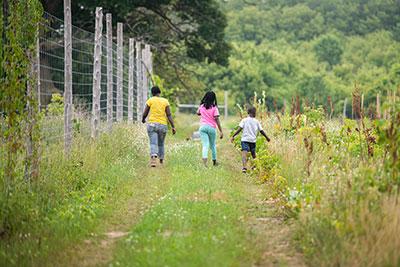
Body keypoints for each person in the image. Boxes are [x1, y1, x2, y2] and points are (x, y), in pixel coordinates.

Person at [142, 86, 176, 167]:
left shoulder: (150, 100)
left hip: (152, 124)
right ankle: (161, 160)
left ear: (152, 93)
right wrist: (173, 127)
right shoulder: (165, 101)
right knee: (161, 143)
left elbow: (145, 112)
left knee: (153, 143)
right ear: (159, 93)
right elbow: (169, 115)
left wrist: (143, 119)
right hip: (162, 125)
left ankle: (153, 159)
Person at [230, 106, 270, 173]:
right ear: (255, 113)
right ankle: (255, 166)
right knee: (253, 154)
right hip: (252, 140)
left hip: (245, 140)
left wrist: (233, 136)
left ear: (248, 113)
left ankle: (244, 167)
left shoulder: (244, 120)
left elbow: (239, 129)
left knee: (244, 153)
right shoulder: (257, 121)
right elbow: (261, 131)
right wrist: (267, 137)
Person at [197, 91, 223, 166]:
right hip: (211, 128)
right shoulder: (214, 108)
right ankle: (214, 162)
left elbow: (198, 113)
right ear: (213, 98)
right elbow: (217, 119)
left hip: (203, 127)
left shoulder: (202, 106)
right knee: (212, 145)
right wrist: (221, 131)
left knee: (205, 145)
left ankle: (204, 163)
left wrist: (202, 110)